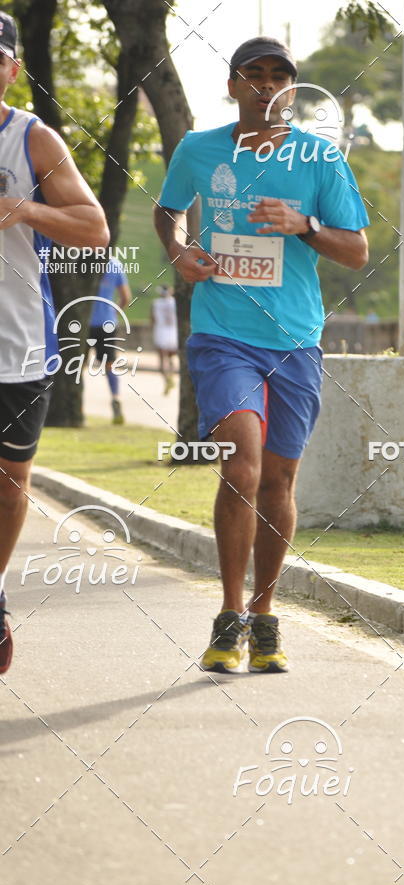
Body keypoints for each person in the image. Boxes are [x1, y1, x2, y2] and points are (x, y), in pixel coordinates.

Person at [154, 36, 369, 674]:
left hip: (296, 338)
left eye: (279, 77)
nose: (266, 86)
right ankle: (228, 615)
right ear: (233, 85)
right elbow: (168, 212)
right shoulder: (199, 149)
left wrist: (304, 226)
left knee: (277, 479)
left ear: (291, 91)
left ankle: (265, 612)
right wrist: (179, 249)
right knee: (241, 466)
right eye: (254, 75)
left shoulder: (319, 157)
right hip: (222, 334)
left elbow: (356, 249)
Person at [0, 11, 109, 674]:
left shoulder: (31, 138)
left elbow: (94, 227)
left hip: (17, 344)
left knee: (11, 484)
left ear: (11, 69)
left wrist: (23, 209)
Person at [88, 257, 131, 423]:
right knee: (109, 365)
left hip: (83, 323)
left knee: (76, 366)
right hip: (107, 323)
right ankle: (115, 397)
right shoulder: (115, 264)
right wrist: (113, 314)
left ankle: (75, 404)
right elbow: (126, 297)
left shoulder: (81, 262)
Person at [151, 284, 178, 394]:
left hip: (161, 331)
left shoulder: (156, 303)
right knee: (171, 358)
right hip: (173, 332)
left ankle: (167, 379)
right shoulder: (175, 302)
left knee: (162, 359)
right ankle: (171, 376)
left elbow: (152, 319)